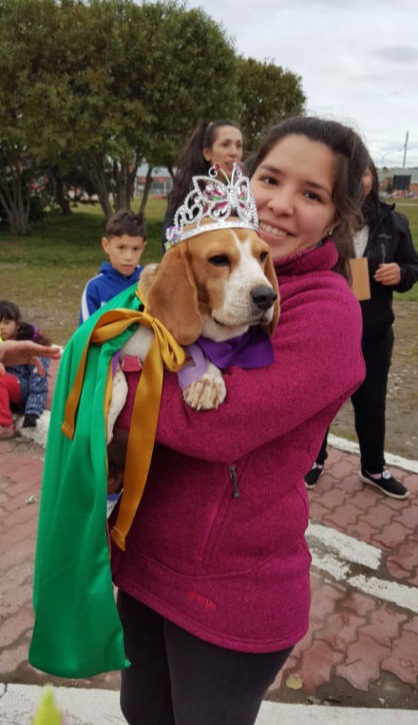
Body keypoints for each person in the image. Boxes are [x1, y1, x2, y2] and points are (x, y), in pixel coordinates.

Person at [105, 116, 368, 725]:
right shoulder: (194, 263)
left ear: (336, 216)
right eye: (270, 179)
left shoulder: (327, 308)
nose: (279, 204)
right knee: (141, 713)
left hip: (232, 589)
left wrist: (106, 378)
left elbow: (216, 427)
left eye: (312, 194)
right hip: (145, 559)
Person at [305, 160, 418, 499]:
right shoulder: (323, 218)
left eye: (364, 172)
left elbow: (413, 266)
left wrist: (401, 273)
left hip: (374, 331)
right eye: (350, 172)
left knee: (371, 401)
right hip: (328, 330)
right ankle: (313, 459)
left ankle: (373, 467)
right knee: (320, 400)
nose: (357, 179)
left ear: (373, 178)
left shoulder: (393, 222)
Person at [162, 119, 244, 248]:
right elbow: (169, 246)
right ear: (207, 153)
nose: (234, 152)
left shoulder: (246, 193)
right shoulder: (188, 196)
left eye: (239, 146)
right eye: (225, 145)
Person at [79, 209, 146, 324]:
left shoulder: (150, 285)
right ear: (106, 245)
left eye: (135, 249)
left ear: (143, 247)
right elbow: (86, 332)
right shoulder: (95, 288)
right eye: (121, 248)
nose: (129, 257)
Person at [0, 300, 53, 438]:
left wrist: (32, 411)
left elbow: (39, 380)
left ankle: (5, 426)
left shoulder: (32, 344)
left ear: (17, 325)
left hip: (22, 388)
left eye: (7, 323)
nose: (1, 327)